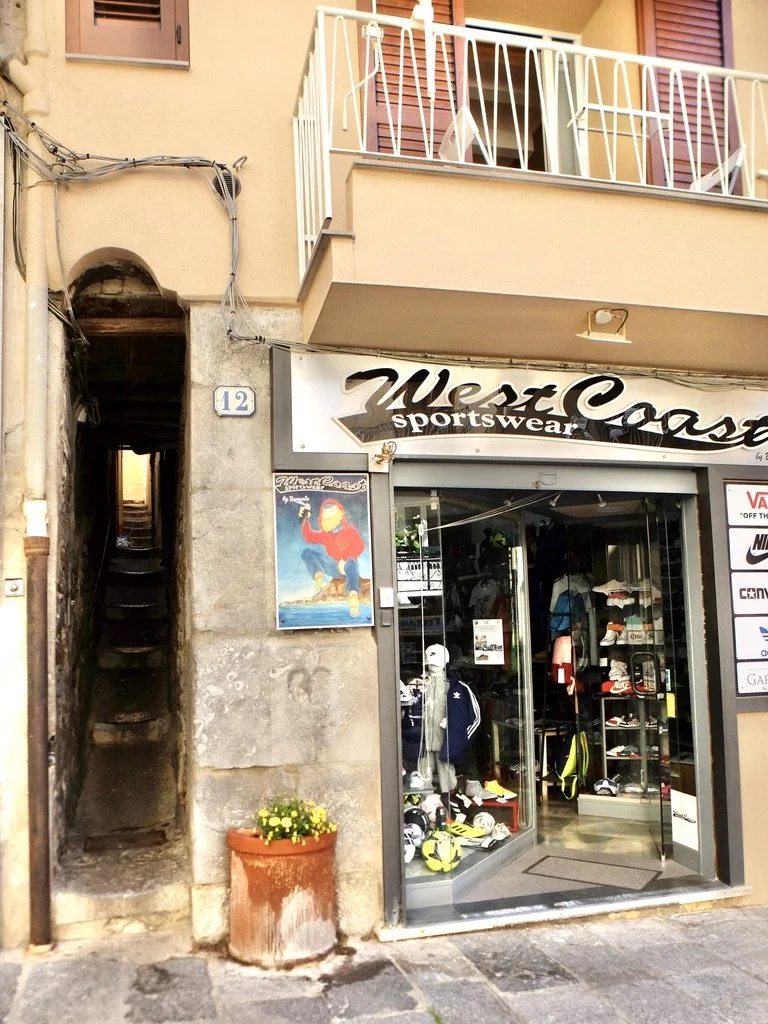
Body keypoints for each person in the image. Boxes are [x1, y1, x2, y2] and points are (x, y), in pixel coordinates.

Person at [298, 498, 365, 616]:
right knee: (307, 552)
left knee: (351, 561)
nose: (327, 521)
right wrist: (304, 520)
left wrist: (345, 558)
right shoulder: (326, 535)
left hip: (347, 567)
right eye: (326, 518)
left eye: (330, 517)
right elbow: (309, 537)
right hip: (333, 566)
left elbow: (359, 546)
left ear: (338, 516)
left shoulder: (349, 531)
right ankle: (321, 581)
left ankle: (353, 596)